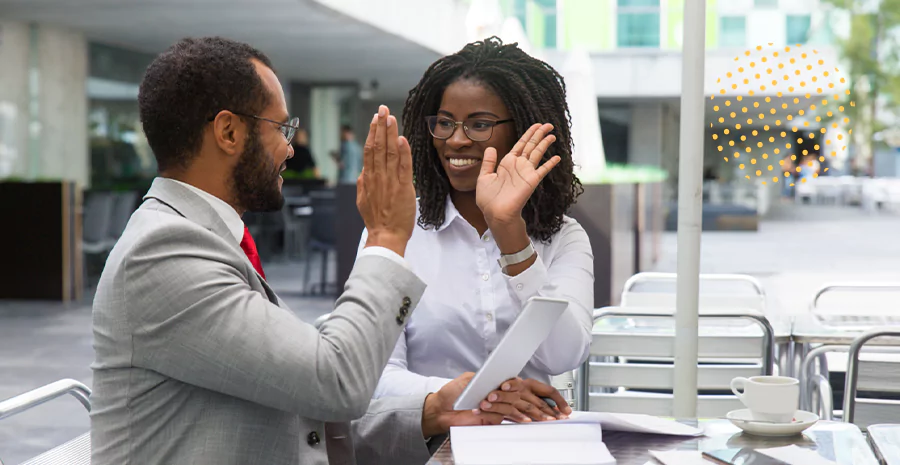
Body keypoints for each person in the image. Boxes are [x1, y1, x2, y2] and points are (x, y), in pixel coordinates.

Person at [90, 37, 531, 465]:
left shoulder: (200, 238)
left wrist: (432, 408)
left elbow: (300, 402)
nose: (289, 147)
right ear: (228, 131)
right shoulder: (164, 252)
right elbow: (335, 380)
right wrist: (386, 237)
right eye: (281, 128)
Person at [360, 37, 593, 421]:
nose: (456, 139)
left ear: (523, 128)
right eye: (445, 123)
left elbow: (564, 355)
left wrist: (509, 233)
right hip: (430, 444)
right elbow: (374, 374)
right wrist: (477, 394)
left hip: (532, 443)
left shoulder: (564, 238)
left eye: (479, 124)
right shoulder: (396, 230)